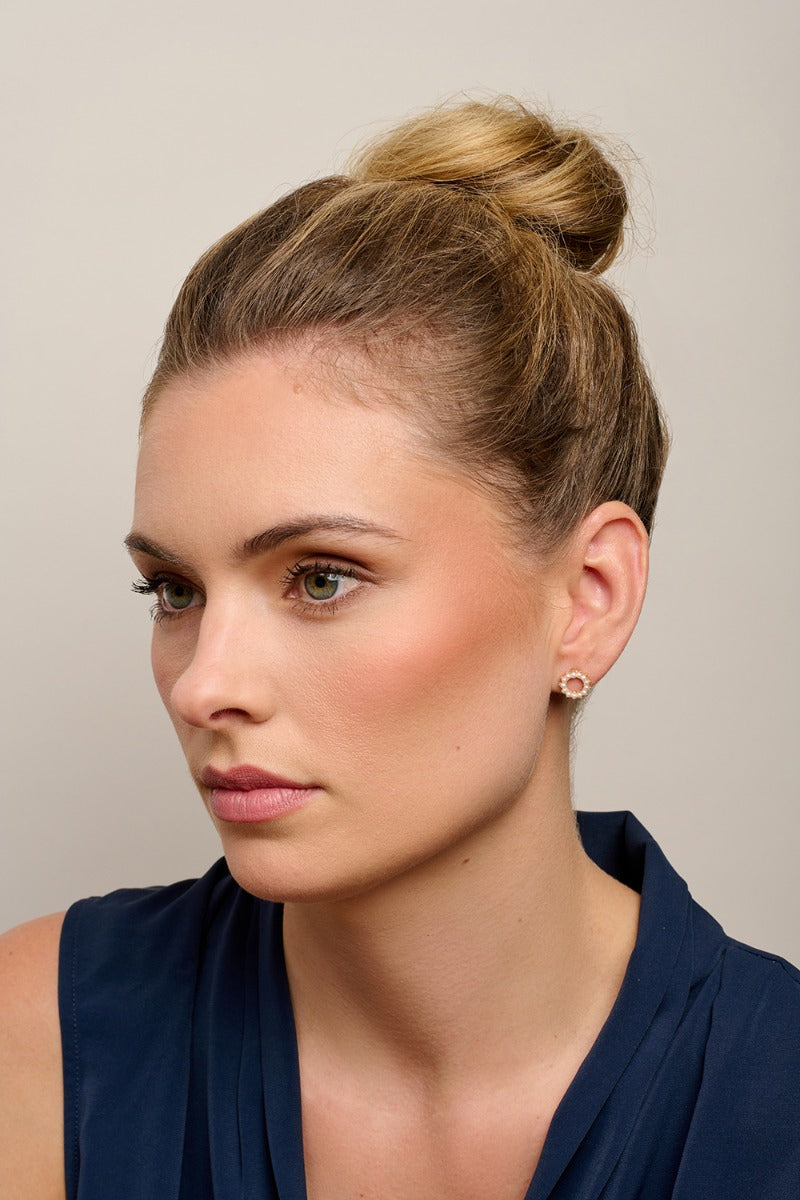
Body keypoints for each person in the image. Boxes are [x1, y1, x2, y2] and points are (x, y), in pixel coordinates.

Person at [1, 96, 798, 1200]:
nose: (203, 685)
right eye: (174, 590)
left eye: (321, 578)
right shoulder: (37, 1051)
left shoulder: (773, 1097)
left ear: (588, 599)